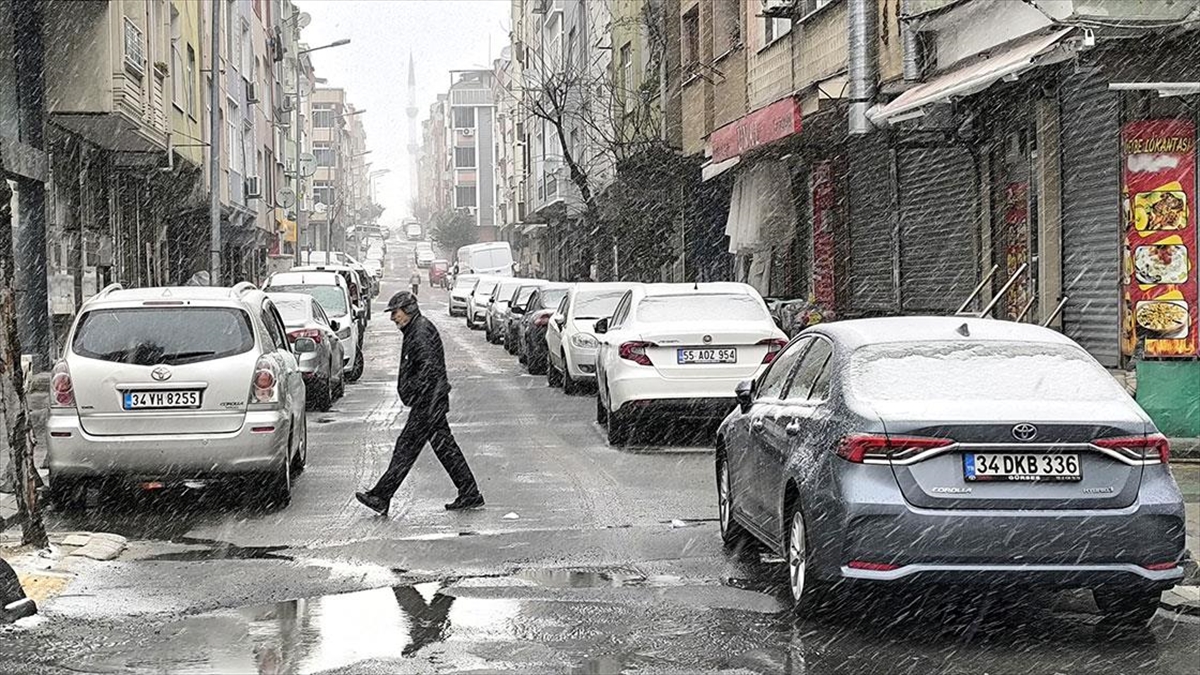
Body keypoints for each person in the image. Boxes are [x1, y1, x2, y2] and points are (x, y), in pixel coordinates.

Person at [356, 291, 484, 517]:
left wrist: (418, 396)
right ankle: (469, 491)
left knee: (407, 449)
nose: (393, 318)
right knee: (444, 449)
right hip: (430, 401)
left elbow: (428, 369)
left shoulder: (421, 331)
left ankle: (381, 496)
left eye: (395, 312)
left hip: (428, 403)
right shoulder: (415, 329)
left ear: (409, 310)